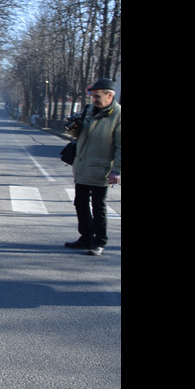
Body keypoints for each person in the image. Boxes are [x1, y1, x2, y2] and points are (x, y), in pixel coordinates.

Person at [64, 78, 121, 256]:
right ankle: (86, 237)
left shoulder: (118, 115)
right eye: (92, 96)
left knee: (99, 207)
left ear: (110, 96)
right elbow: (77, 134)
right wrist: (73, 126)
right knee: (80, 203)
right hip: (82, 165)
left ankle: (99, 241)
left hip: (101, 168)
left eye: (98, 96)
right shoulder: (89, 109)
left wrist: (117, 170)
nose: (94, 100)